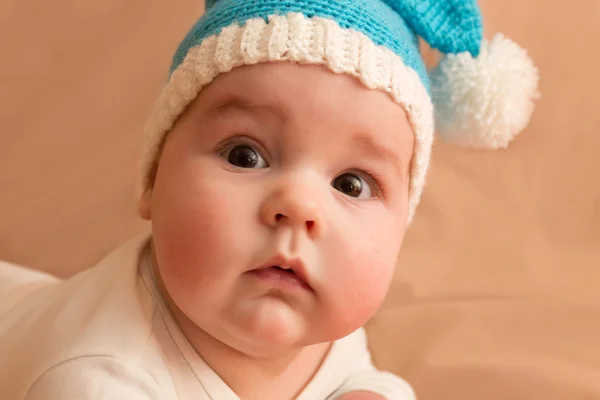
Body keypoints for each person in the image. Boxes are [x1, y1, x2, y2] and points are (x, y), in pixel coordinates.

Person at [0, 0, 539, 399]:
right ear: (151, 180)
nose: (299, 206)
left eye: (352, 184)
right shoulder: (95, 376)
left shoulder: (318, 316)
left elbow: (353, 373)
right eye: (244, 155)